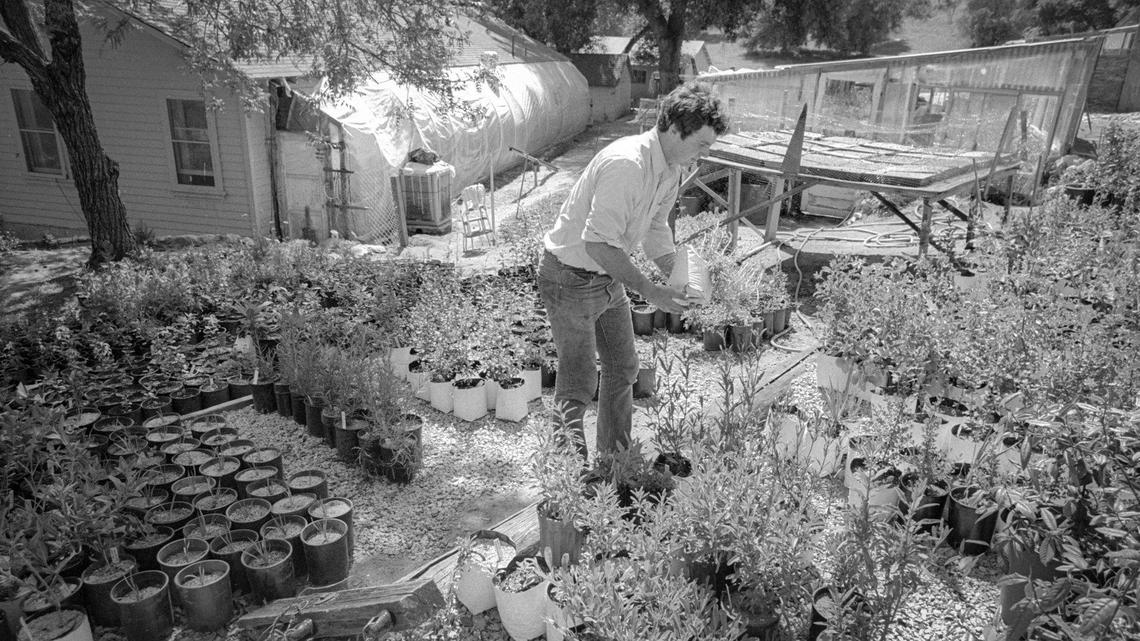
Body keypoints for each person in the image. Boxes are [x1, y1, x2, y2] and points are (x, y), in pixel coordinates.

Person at [537, 81, 729, 460]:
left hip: (605, 276)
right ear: (675, 129)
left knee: (623, 367)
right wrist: (651, 291)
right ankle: (571, 475)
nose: (705, 154)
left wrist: (682, 277)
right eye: (702, 144)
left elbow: (656, 229)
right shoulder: (628, 165)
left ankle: (615, 462)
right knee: (578, 381)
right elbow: (597, 244)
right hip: (569, 277)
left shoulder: (670, 170)